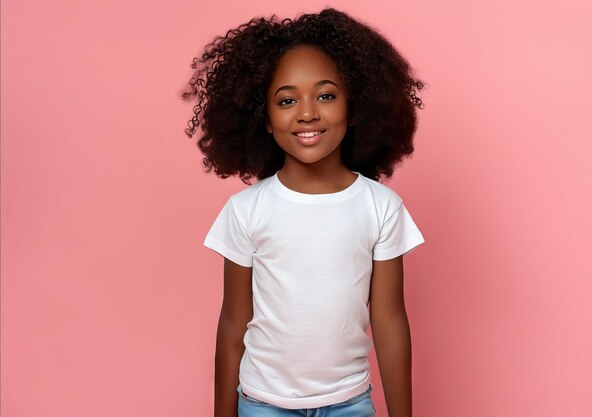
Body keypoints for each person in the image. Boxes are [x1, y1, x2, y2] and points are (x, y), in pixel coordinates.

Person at [181, 7, 426, 417]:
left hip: (349, 404)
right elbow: (233, 322)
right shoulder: (246, 210)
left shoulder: (381, 208)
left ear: (355, 106)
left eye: (326, 95)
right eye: (287, 99)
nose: (307, 112)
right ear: (264, 117)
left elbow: (389, 322)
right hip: (263, 404)